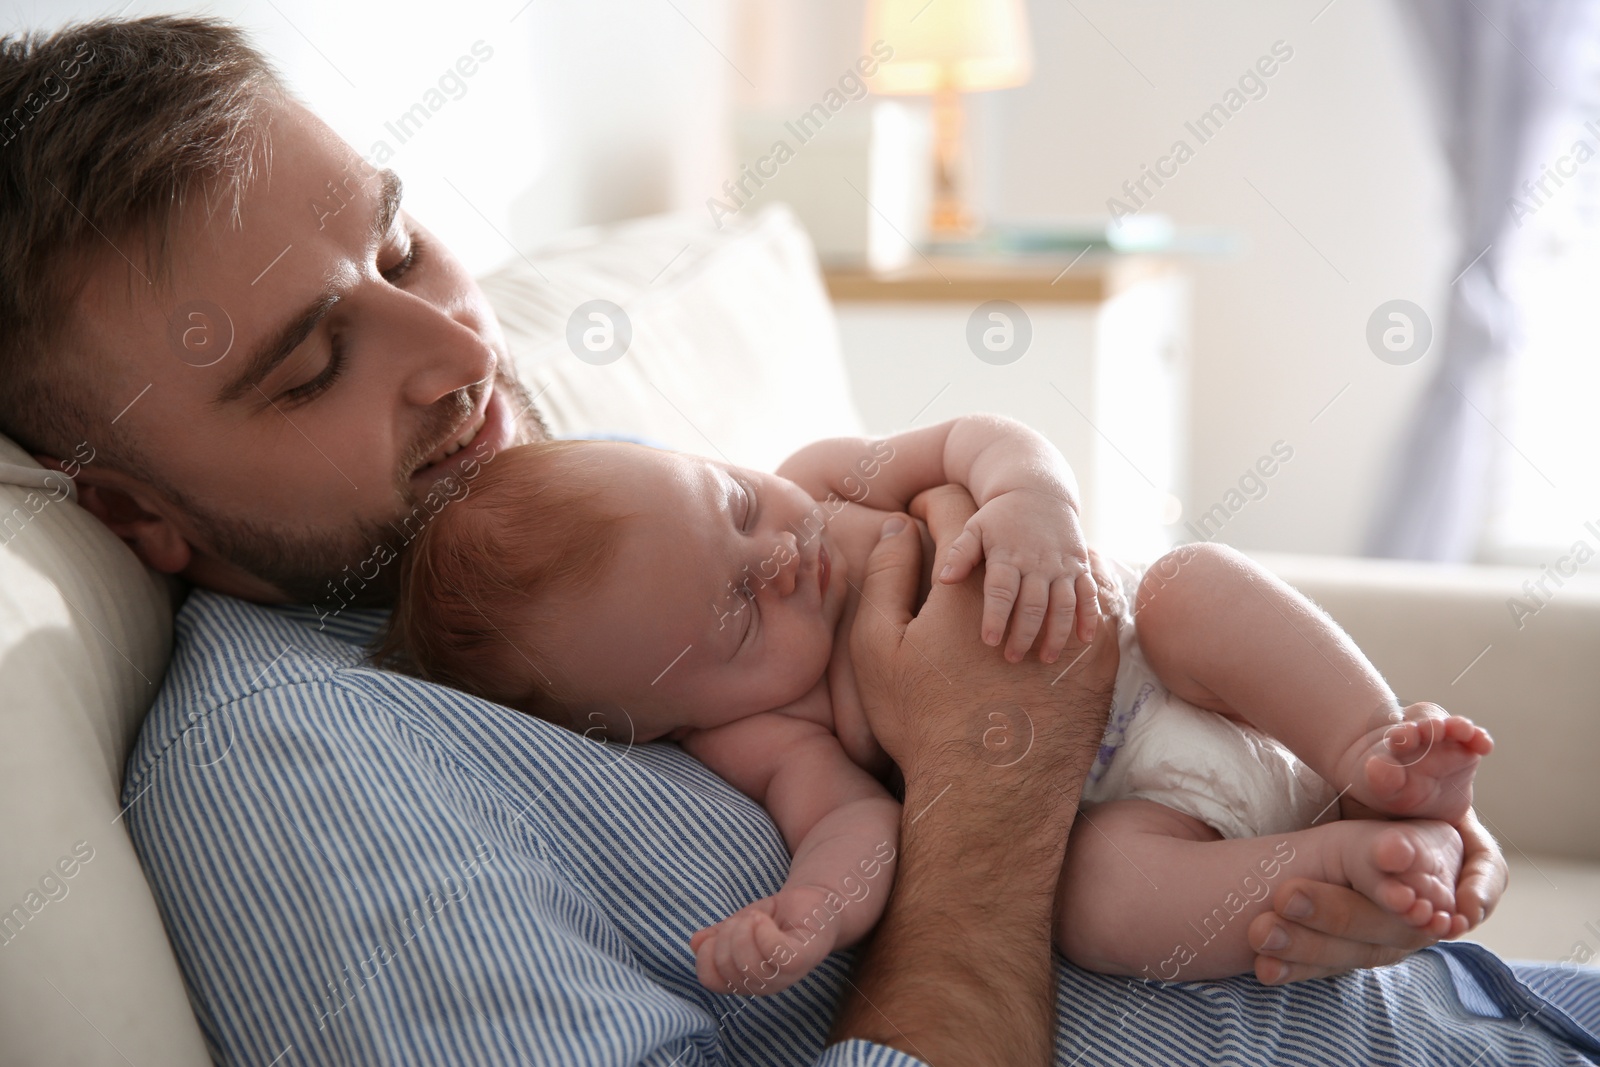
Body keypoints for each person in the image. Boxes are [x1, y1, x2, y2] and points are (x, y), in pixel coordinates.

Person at [2, 15, 1596, 1066]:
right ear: (142, 512)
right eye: (306, 367)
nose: (458, 352)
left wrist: (1373, 823)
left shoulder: (614, 481)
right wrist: (997, 769)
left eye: (402, 240)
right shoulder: (307, 771)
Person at [383, 431, 1495, 993]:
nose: (780, 554)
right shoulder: (760, 734)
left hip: (1177, 672)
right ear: (663, 719)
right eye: (733, 617)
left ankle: (1368, 746)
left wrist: (1029, 500)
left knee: (1188, 581)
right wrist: (814, 907)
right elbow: (853, 829)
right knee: (1093, 902)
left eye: (733, 504)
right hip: (1139, 816)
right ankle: (1349, 851)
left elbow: (975, 436)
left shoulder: (828, 478)